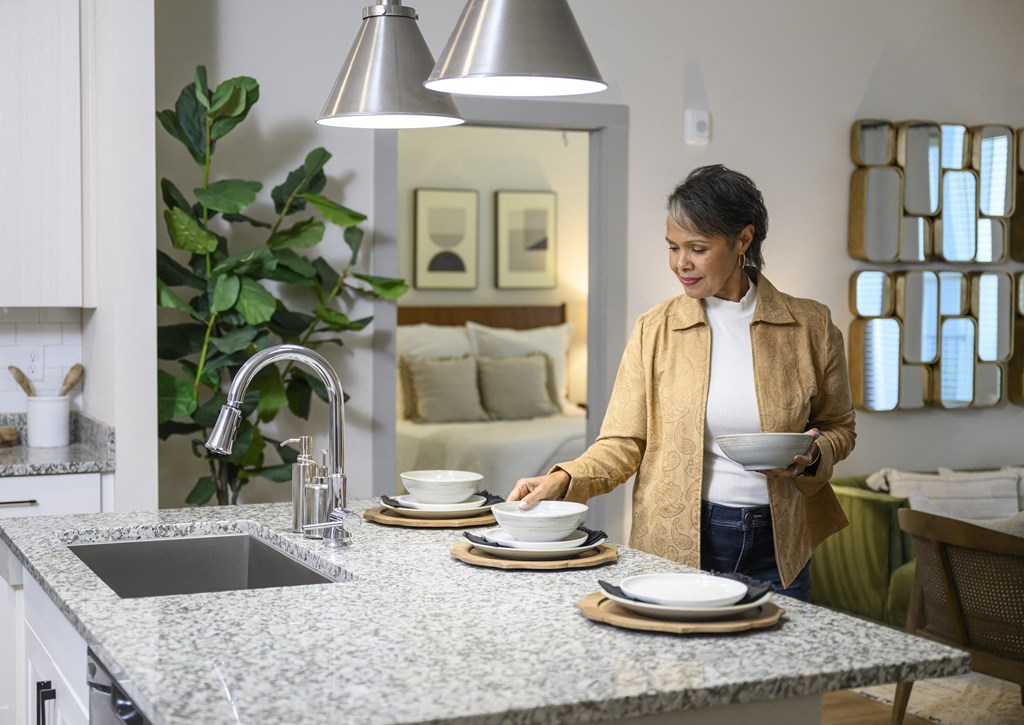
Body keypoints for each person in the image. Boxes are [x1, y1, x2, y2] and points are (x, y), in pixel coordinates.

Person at [508, 164, 856, 601]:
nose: (681, 263)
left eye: (697, 248)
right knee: (682, 665)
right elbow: (623, 443)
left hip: (781, 539)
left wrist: (811, 456)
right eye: (673, 247)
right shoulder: (655, 329)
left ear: (742, 240)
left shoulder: (810, 325)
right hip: (682, 540)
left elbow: (839, 426)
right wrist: (564, 479)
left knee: (778, 661)